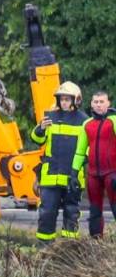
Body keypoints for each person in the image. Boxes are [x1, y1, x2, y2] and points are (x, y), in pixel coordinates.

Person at [31, 81, 88, 244]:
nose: (63, 102)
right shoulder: (50, 117)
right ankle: (44, 248)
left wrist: (77, 170)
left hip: (73, 178)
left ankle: (69, 250)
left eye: (67, 99)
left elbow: (88, 151)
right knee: (47, 213)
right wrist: (40, 128)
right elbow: (37, 139)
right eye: (61, 99)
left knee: (71, 214)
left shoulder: (84, 121)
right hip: (50, 177)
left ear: (76, 100)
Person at [83, 90, 116, 237]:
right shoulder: (86, 124)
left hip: (112, 172)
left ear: (108, 103)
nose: (98, 105)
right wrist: (73, 171)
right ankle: (95, 244)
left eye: (102, 102)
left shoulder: (114, 120)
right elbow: (79, 151)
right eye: (96, 102)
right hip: (93, 174)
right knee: (94, 211)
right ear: (91, 104)